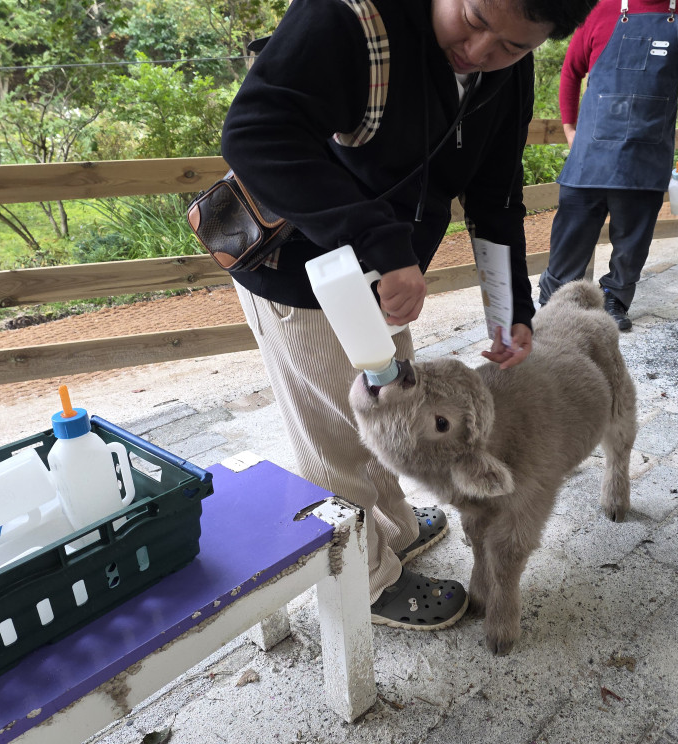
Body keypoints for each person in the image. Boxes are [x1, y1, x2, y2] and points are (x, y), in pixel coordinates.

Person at [220, 0, 594, 631]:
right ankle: (366, 580)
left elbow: (496, 196)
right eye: (473, 20)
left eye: (509, 47)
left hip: (391, 278)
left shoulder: (510, 62)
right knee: (335, 441)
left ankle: (392, 526)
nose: (479, 54)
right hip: (302, 274)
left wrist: (511, 310)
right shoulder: (350, 16)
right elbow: (255, 133)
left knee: (397, 415)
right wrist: (380, 242)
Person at [537, 0, 678, 330]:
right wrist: (569, 128)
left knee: (633, 238)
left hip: (647, 152)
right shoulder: (598, 10)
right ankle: (555, 298)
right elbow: (571, 71)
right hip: (591, 151)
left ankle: (614, 297)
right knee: (570, 232)